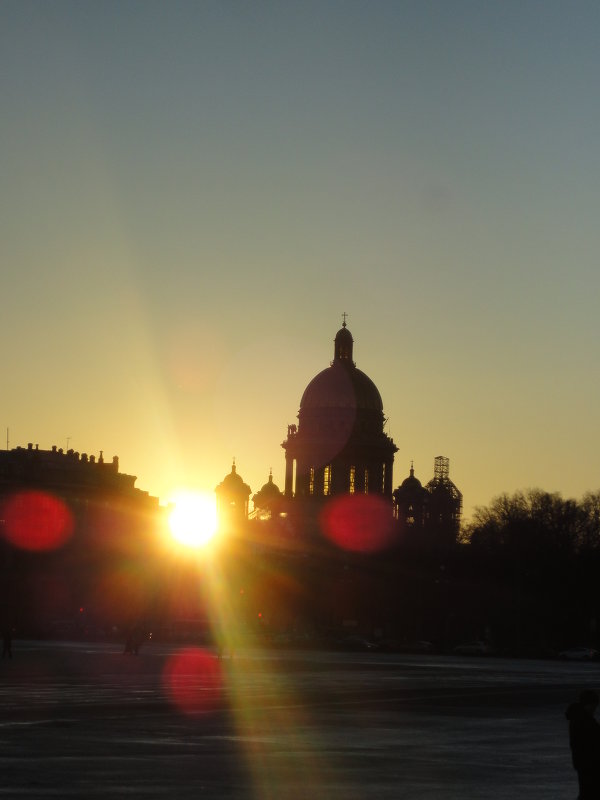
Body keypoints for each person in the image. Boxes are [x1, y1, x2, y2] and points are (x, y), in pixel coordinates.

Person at [566, 689, 600, 798]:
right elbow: (592, 740)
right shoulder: (583, 720)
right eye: (594, 705)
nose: (595, 708)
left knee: (588, 792)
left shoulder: (580, 718)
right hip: (588, 763)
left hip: (585, 763)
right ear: (588, 704)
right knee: (589, 793)